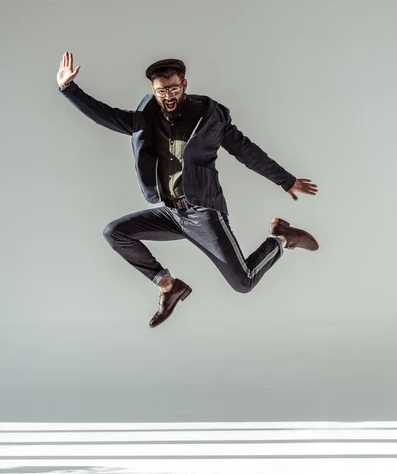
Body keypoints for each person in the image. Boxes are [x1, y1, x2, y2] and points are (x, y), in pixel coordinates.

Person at [57, 52, 319, 328]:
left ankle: (280, 239)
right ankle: (168, 286)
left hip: (203, 212)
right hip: (171, 214)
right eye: (161, 91)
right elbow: (106, 116)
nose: (168, 96)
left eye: (173, 89)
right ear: (153, 91)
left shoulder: (209, 118)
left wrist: (285, 180)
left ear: (184, 84)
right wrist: (68, 89)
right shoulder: (146, 118)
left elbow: (245, 150)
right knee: (115, 232)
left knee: (244, 282)